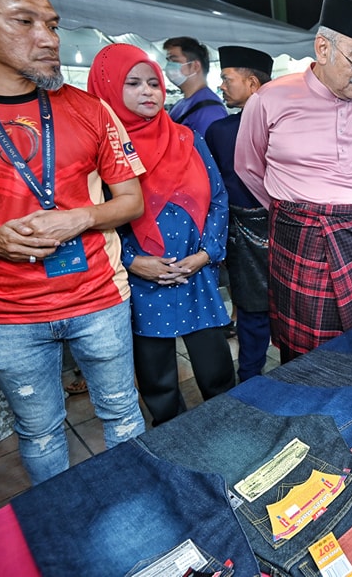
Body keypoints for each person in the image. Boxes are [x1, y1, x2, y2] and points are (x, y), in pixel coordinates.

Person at [0, 0, 146, 484]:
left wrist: (80, 219)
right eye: (24, 22)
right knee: (41, 431)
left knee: (123, 415)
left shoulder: (90, 109)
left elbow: (131, 200)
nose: (48, 38)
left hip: (99, 297)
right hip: (4, 314)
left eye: (51, 23)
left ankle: (139, 518)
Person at [235, 0, 352, 362]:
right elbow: (248, 166)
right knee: (302, 350)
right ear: (323, 48)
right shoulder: (270, 100)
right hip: (298, 235)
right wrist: (297, 212)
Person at [88, 43, 235, 426]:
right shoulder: (99, 152)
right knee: (158, 383)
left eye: (153, 83)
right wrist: (134, 262)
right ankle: (175, 446)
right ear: (107, 88)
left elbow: (218, 197)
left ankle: (235, 433)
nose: (148, 92)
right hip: (141, 280)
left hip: (195, 271)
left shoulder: (187, 138)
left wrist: (207, 254)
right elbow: (93, 219)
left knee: (216, 370)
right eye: (133, 83)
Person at [204, 45, 274, 382]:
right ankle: (250, 378)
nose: (222, 86)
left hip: (284, 226)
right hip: (241, 232)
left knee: (291, 308)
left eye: (227, 79)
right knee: (250, 310)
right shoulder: (219, 130)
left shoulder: (284, 126)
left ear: (251, 83)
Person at [163, 36, 228, 136]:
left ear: (195, 66)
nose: (169, 66)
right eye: (168, 60)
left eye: (174, 61)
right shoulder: (180, 104)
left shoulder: (210, 111)